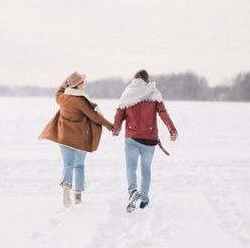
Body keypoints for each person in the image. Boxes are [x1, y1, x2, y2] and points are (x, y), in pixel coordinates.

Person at [39, 72, 114, 207]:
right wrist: (110, 126)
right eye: (82, 82)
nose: (84, 84)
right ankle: (78, 196)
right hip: (79, 140)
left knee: (68, 165)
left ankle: (66, 186)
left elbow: (59, 90)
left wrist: (65, 82)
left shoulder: (61, 98)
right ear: (77, 85)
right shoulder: (80, 101)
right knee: (79, 166)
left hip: (64, 138)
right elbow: (95, 117)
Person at [112, 70, 178, 211]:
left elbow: (120, 112)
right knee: (146, 170)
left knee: (131, 167)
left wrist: (116, 129)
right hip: (149, 139)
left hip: (131, 137)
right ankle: (144, 198)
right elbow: (163, 113)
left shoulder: (128, 92)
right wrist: (172, 129)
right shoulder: (153, 92)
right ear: (147, 79)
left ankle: (132, 191)